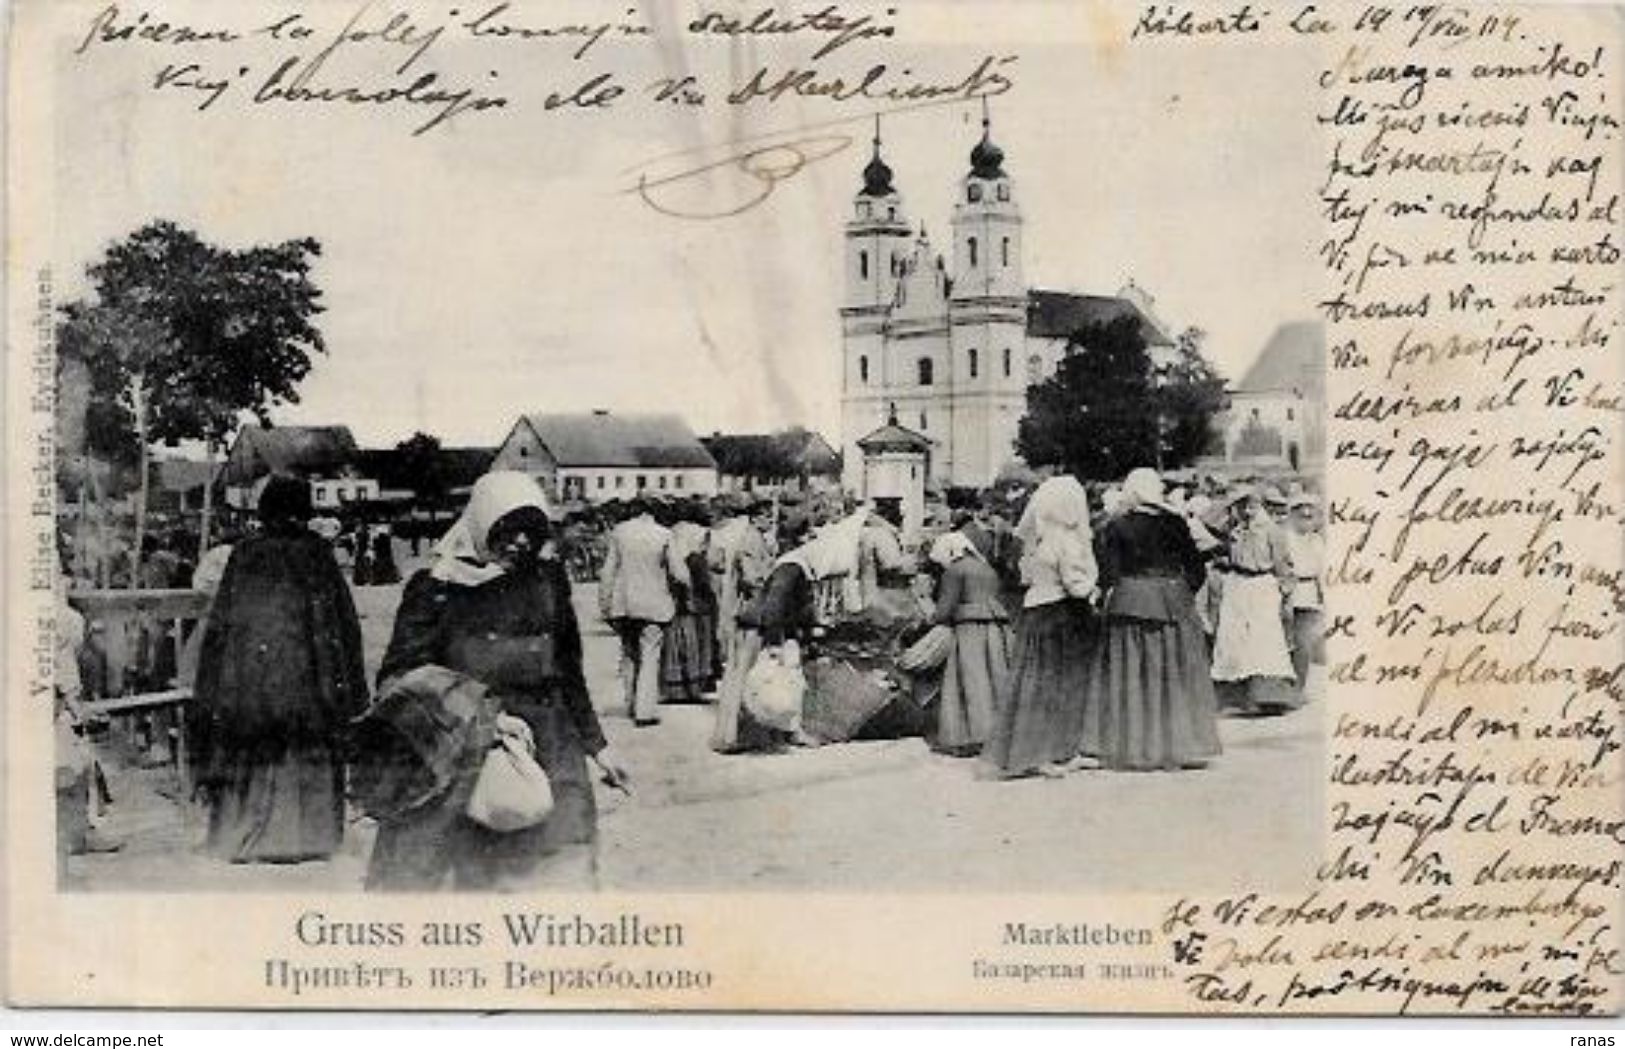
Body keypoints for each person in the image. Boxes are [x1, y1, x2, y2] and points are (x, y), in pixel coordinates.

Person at [365, 471, 628, 891]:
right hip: (466, 747)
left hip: (551, 743)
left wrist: (598, 746)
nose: (521, 542)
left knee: (560, 868)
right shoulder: (436, 588)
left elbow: (568, 671)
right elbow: (400, 679)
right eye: (508, 529)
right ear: (481, 523)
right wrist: (485, 719)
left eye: (532, 531)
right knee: (466, 875)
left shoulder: (548, 581)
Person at [191, 476, 368, 864]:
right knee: (306, 740)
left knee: (254, 739)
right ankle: (308, 835)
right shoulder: (317, 554)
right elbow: (343, 624)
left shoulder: (246, 553)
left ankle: (250, 832)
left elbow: (224, 623)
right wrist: (350, 686)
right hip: (310, 676)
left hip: (254, 675)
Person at [1084, 468, 1221, 771]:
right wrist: (1180, 592)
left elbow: (1108, 572)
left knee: (1133, 674)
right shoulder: (1175, 523)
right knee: (1172, 673)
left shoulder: (1117, 526)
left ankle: (1135, 746)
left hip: (1130, 601)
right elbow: (1196, 568)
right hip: (1172, 601)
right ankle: (1178, 744)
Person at [986, 476, 1099, 779]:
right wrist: (1094, 584)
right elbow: (1077, 586)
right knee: (1065, 684)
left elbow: (1025, 579)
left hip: (1037, 611)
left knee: (1036, 684)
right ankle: (1058, 751)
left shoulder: (1039, 541)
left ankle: (1040, 750)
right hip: (1063, 614)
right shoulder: (1068, 540)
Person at [1210, 487, 1299, 714]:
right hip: (1237, 583)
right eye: (1243, 504)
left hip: (1262, 584)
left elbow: (1283, 563)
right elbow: (1209, 521)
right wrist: (1229, 504)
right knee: (1234, 637)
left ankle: (1269, 696)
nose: (1248, 509)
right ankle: (1236, 695)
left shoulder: (1272, 531)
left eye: (1253, 504)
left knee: (1264, 638)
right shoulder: (1234, 529)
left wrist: (1285, 591)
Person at [927, 530, 1011, 757]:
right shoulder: (986, 568)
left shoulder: (955, 570)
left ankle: (971, 736)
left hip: (969, 627)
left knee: (970, 680)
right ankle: (998, 733)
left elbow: (945, 608)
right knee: (995, 678)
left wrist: (930, 619)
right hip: (996, 626)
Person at [598, 499, 676, 726]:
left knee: (629, 653)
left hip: (624, 603)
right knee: (650, 655)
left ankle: (631, 703)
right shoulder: (664, 534)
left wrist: (605, 603)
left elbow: (608, 571)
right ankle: (645, 711)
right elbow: (678, 570)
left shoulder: (619, 532)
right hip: (654, 603)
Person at [660, 502, 719, 702]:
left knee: (676, 640)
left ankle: (675, 687)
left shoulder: (669, 532)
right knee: (698, 641)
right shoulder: (702, 534)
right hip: (695, 592)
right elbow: (706, 563)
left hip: (673, 592)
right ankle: (695, 686)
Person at [1284, 492, 1326, 701]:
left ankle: (1298, 689)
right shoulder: (1285, 538)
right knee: (1286, 643)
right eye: (1302, 514)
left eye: (1310, 515)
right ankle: (1284, 689)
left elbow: (1323, 570)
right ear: (1292, 514)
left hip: (1309, 596)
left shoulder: (1317, 541)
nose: (1306, 517)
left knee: (1304, 645)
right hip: (1288, 594)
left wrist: (1324, 596)